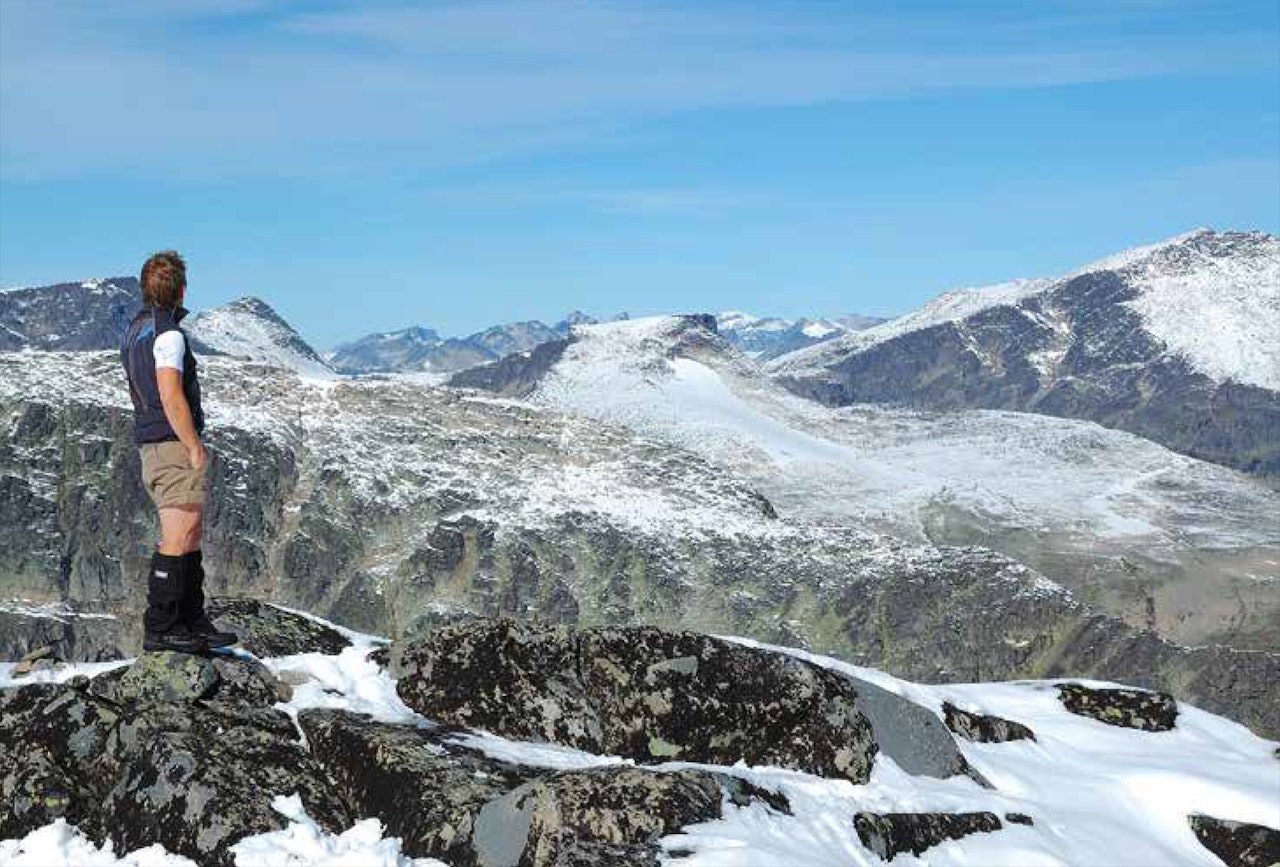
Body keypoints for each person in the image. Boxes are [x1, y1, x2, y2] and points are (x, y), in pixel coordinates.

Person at [120, 250, 237, 653]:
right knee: (178, 534)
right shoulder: (167, 334)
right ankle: (163, 626)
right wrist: (192, 444)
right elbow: (170, 394)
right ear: (182, 289)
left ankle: (191, 619)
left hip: (153, 442)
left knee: (189, 531)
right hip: (170, 443)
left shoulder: (136, 329)